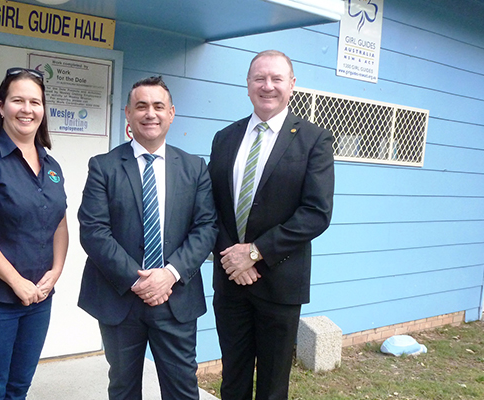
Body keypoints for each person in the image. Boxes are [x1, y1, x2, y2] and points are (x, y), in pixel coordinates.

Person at [78, 76, 217, 400]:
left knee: (182, 389)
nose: (150, 113)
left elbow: (206, 227)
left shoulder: (195, 168)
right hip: (120, 298)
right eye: (141, 106)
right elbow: (93, 230)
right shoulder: (104, 166)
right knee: (123, 389)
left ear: (171, 113)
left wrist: (169, 274)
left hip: (176, 298)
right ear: (127, 113)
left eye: (158, 106)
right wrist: (137, 280)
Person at [209, 50, 335, 400]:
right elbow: (210, 207)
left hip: (280, 282)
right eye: (259, 78)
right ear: (248, 85)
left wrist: (255, 252)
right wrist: (232, 259)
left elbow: (316, 212)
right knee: (232, 377)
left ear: (291, 84)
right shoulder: (225, 138)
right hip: (231, 280)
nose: (268, 86)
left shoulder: (313, 140)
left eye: (276, 78)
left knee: (272, 385)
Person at [0, 67, 69, 400]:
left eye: (35, 102)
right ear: (2, 106)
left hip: (39, 298)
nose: (27, 109)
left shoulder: (51, 166)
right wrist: (15, 281)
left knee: (19, 388)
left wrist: (56, 271)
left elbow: (60, 223)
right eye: (18, 100)